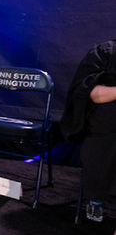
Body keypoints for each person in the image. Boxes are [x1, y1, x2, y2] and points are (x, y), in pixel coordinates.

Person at [61, 40, 116, 223]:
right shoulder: (106, 52)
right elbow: (92, 94)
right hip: (106, 122)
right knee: (107, 122)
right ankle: (96, 197)